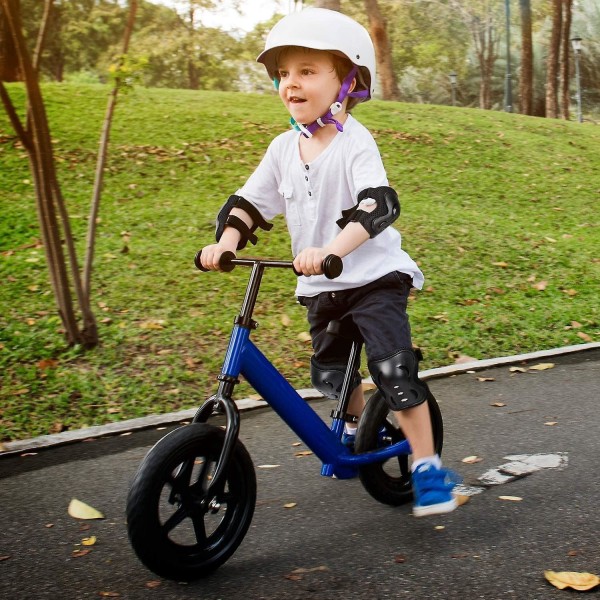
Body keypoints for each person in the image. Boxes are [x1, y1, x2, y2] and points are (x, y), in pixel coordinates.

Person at [200, 7, 459, 517]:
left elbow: (377, 204)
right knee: (330, 378)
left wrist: (332, 250)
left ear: (348, 81)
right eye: (283, 74)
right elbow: (250, 204)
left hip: (372, 278)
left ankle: (428, 466)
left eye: (307, 71)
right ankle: (360, 430)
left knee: (394, 371)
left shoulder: (354, 143)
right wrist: (228, 242)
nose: (290, 83)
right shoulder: (281, 149)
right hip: (321, 286)